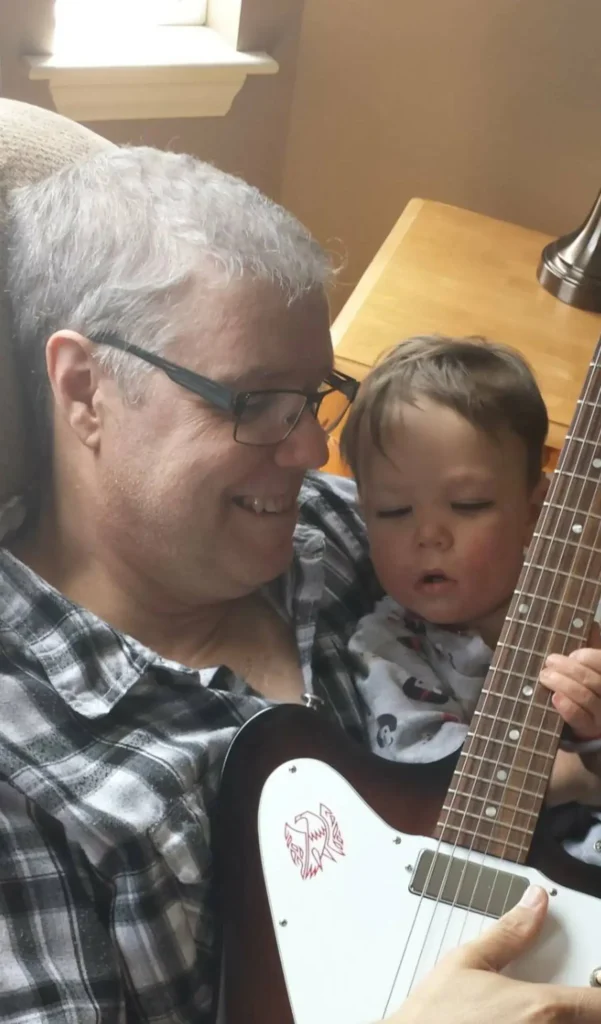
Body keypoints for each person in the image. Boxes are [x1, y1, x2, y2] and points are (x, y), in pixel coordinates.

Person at [0, 147, 599, 1023]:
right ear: (86, 389)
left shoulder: (343, 524)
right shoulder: (24, 763)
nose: (313, 453)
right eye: (253, 403)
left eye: (313, 396)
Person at [341, 335, 601, 845]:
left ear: (535, 510)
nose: (429, 534)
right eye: (393, 512)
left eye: (468, 504)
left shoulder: (585, 593)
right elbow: (433, 786)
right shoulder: (385, 647)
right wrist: (580, 775)